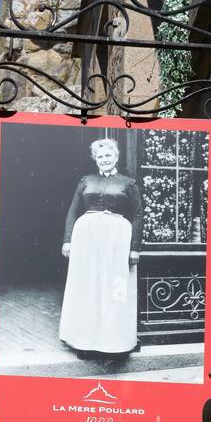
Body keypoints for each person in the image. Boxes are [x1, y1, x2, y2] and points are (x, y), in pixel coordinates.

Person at [59, 137, 142, 361]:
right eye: (100, 156)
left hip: (117, 241)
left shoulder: (128, 183)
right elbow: (73, 211)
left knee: (114, 289)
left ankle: (115, 343)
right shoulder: (86, 180)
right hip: (86, 238)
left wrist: (134, 248)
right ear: (95, 159)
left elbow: (137, 216)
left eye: (109, 155)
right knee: (87, 288)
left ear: (116, 157)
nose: (105, 159)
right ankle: (84, 342)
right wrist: (68, 240)